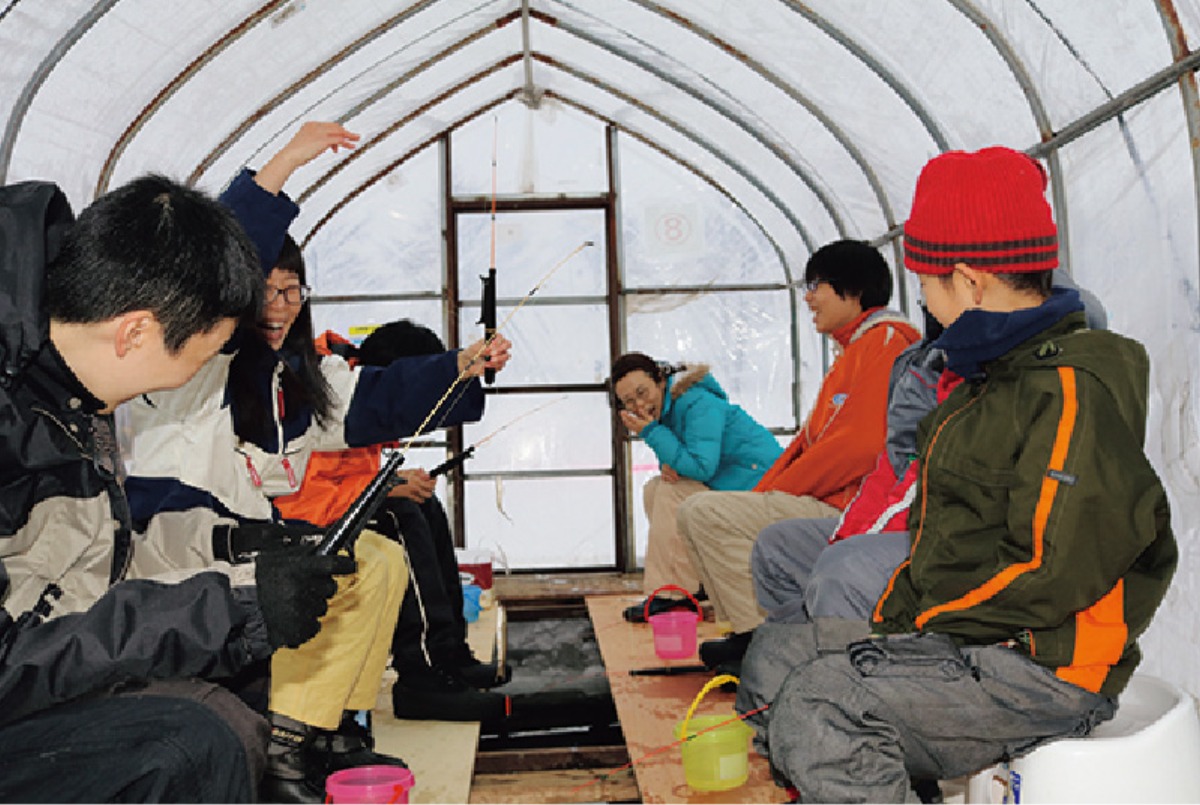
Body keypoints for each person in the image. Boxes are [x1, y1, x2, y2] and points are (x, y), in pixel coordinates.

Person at [765, 146, 1177, 803]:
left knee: (820, 707)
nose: (923, 300)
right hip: (977, 641)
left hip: (1042, 667)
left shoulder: (1070, 389)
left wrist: (917, 630)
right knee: (777, 659)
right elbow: (937, 542)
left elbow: (1052, 569)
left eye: (926, 283)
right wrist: (896, 625)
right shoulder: (989, 381)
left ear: (968, 280)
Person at [117, 123, 512, 802]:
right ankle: (285, 746)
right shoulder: (186, 362)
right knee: (323, 568)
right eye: (261, 291)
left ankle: (326, 729)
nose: (276, 307)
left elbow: (372, 400)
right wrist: (281, 168)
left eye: (290, 290)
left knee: (378, 559)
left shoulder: (290, 377)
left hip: (244, 538)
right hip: (172, 548)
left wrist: (459, 367)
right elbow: (210, 271)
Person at [0, 173, 346, 802]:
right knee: (192, 740)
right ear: (135, 331)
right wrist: (227, 611)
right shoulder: (23, 415)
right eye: (204, 350)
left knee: (237, 687)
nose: (201, 369)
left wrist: (238, 546)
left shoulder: (66, 396)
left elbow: (94, 559)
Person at [676, 239, 920, 671]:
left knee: (701, 512)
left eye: (817, 284)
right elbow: (811, 443)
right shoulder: (857, 349)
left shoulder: (885, 344)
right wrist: (766, 493)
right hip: (830, 499)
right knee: (688, 507)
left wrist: (772, 492)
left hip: (851, 509)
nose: (808, 297)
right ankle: (752, 633)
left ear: (852, 289)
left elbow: (858, 447)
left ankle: (762, 642)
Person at [275, 319, 509, 726]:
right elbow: (298, 495)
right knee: (401, 517)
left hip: (337, 505)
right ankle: (421, 679)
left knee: (423, 506)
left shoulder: (349, 371)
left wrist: (389, 482)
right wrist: (382, 490)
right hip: (297, 524)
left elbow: (345, 468)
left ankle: (449, 653)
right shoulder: (318, 380)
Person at [609, 353, 782, 621]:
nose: (639, 404)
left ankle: (671, 594)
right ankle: (697, 584)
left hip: (763, 495)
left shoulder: (697, 402)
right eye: (629, 401)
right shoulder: (666, 412)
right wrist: (658, 438)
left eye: (642, 393)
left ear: (661, 381)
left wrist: (652, 433)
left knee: (670, 492)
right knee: (655, 489)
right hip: (730, 490)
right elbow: (677, 468)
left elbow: (702, 467)